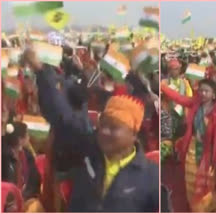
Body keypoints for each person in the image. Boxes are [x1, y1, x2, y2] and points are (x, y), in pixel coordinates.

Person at [22, 48, 159, 212]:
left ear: (133, 135)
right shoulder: (88, 148)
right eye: (103, 125)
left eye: (114, 128)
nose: (104, 132)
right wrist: (40, 70)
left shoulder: (150, 176)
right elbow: (61, 115)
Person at [161, 79, 216, 212]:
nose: (203, 93)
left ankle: (206, 206)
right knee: (191, 180)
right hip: (191, 148)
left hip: (207, 153)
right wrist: (163, 87)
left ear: (213, 94)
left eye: (206, 91)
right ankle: (196, 207)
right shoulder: (195, 104)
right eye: (201, 90)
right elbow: (179, 98)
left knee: (206, 183)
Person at [1, 122, 44, 212]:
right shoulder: (4, 157)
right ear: (20, 139)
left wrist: (25, 197)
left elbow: (34, 180)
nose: (29, 137)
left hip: (25, 197)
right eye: (27, 134)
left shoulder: (27, 155)